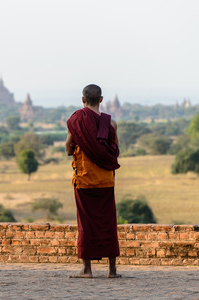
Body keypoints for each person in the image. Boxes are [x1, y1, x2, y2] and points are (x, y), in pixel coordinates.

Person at [65, 84, 121, 278]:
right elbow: (114, 151)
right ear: (101, 99)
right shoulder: (111, 124)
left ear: (82, 100)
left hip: (85, 180)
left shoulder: (77, 122)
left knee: (86, 224)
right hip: (106, 181)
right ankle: (112, 270)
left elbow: (68, 149)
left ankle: (87, 270)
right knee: (108, 223)